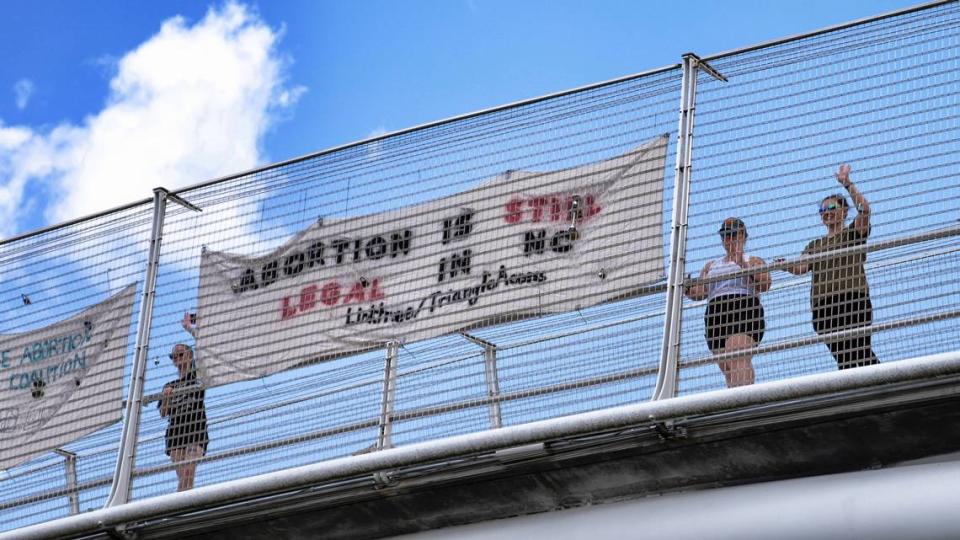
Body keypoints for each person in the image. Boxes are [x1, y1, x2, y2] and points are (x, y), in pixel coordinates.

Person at [783, 164, 879, 370]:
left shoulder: (852, 233)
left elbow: (865, 210)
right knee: (845, 358)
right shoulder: (815, 245)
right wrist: (785, 265)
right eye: (822, 210)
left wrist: (847, 184)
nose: (826, 213)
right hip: (823, 307)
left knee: (858, 351)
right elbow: (801, 267)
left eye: (832, 208)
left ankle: (881, 385)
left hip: (853, 299)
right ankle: (870, 387)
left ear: (844, 211)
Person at [685, 218, 771, 387]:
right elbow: (701, 292)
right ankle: (736, 405)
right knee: (729, 369)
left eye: (733, 235)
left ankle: (744, 404)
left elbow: (765, 283)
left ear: (743, 237)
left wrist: (742, 265)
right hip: (716, 316)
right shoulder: (711, 266)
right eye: (725, 235)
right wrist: (687, 288)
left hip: (742, 308)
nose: (729, 239)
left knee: (737, 355)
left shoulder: (753, 260)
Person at [158, 343, 208, 491]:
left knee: (188, 473)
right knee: (185, 479)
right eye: (174, 356)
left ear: (190, 355)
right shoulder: (169, 384)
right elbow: (163, 412)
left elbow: (204, 353)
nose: (177, 358)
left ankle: (175, 506)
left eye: (180, 354)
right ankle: (186, 506)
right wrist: (166, 397)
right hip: (175, 434)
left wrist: (191, 329)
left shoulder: (198, 377)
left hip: (195, 431)